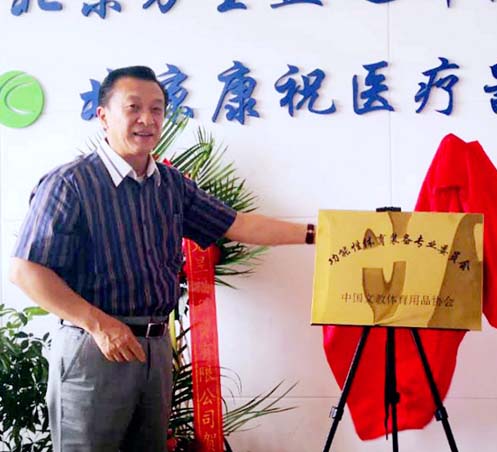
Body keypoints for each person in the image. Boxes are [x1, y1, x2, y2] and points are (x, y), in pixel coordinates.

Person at [8, 65, 315, 451]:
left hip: (154, 349)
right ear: (103, 116)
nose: (147, 119)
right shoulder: (70, 183)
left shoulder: (170, 184)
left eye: (156, 109)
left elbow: (237, 224)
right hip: (95, 348)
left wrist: (318, 234)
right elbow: (26, 270)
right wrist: (100, 325)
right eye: (133, 107)